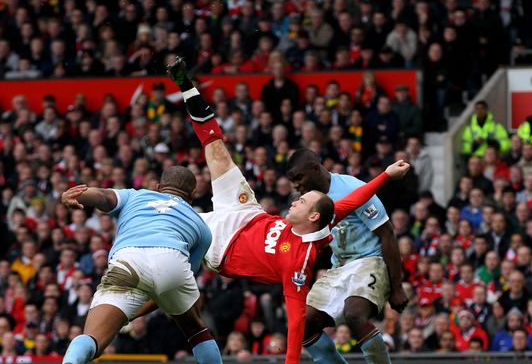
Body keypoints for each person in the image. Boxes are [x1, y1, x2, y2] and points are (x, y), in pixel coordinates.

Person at [166, 57, 410, 363]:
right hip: (246, 213)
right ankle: (188, 88)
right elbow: (354, 201)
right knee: (217, 152)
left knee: (162, 233)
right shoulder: (318, 215)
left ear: (313, 216)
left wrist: (291, 361)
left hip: (219, 244)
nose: (296, 195)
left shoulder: (297, 262)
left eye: (302, 194)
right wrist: (387, 174)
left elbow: (293, 321)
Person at [58, 166, 221, 364]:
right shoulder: (203, 228)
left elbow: (102, 195)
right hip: (172, 261)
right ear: (193, 194)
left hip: (128, 260)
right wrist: (135, 312)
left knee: (93, 338)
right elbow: (168, 287)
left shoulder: (135, 196)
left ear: (158, 187)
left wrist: (75, 196)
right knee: (196, 330)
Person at [285, 152, 408, 362]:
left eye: (299, 178)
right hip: (339, 266)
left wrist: (397, 287)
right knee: (301, 326)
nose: (296, 185)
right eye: (293, 180)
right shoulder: (309, 203)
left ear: (315, 169)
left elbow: (387, 233)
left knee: (354, 315)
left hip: (370, 261)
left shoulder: (351, 188)